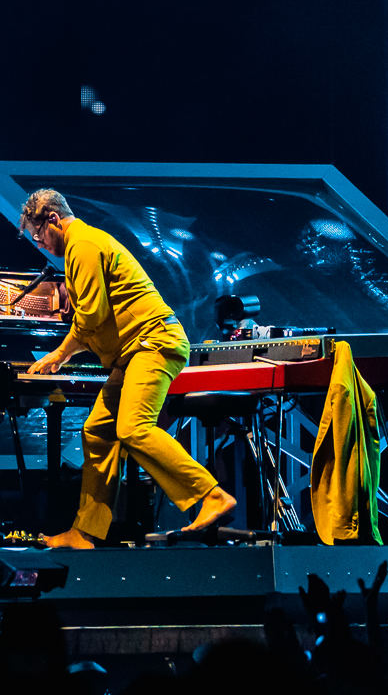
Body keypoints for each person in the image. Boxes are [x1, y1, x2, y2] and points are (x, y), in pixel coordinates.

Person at [22, 189, 237, 547]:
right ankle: (85, 531)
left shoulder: (83, 245)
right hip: (132, 352)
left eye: (38, 235)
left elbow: (92, 315)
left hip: (153, 343)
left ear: (53, 220)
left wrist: (58, 354)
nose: (40, 244)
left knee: (133, 427)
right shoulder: (82, 246)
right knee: (98, 432)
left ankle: (211, 496)